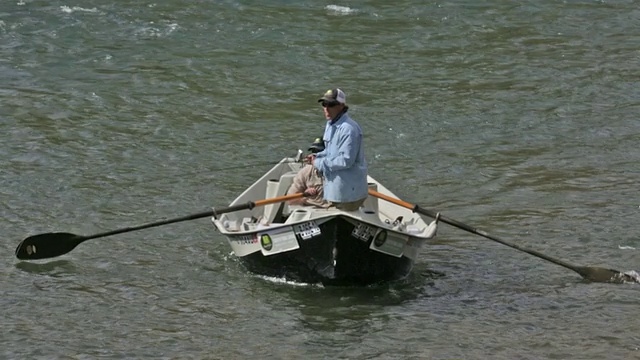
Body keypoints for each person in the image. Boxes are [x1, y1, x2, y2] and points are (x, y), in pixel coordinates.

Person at [310, 88, 368, 211]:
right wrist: (318, 156)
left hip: (347, 195)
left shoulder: (349, 129)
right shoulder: (330, 124)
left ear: (341, 106)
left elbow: (345, 160)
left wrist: (318, 163)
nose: (326, 108)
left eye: (331, 105)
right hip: (334, 191)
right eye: (324, 104)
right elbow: (330, 151)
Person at [286, 137, 331, 208]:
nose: (315, 157)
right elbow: (290, 199)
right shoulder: (305, 173)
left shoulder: (342, 171)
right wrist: (304, 194)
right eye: (314, 153)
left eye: (319, 153)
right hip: (313, 211)